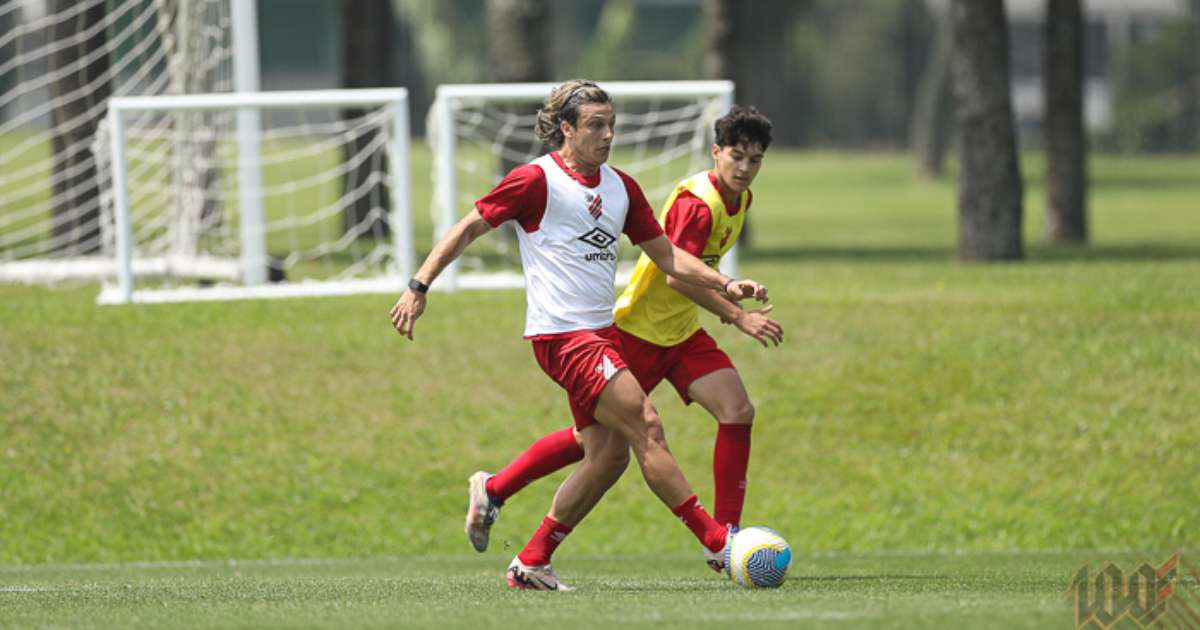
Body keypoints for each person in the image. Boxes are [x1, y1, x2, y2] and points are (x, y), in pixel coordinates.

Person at [389, 80, 769, 591]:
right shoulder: (535, 180)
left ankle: (531, 560)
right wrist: (419, 285)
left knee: (607, 455)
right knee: (647, 426)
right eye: (595, 125)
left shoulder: (621, 186)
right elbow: (469, 227)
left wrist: (725, 283)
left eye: (611, 124)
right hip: (562, 337)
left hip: (604, 334)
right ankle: (720, 544)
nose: (607, 134)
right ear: (565, 128)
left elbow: (667, 256)